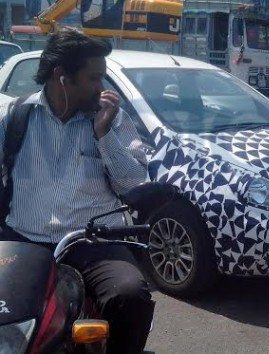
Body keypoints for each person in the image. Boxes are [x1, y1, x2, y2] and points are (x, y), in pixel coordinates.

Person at [0, 29, 154, 354]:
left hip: (91, 242)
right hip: (23, 240)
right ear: (62, 77)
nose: (102, 88)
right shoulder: (15, 117)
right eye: (94, 78)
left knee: (130, 294)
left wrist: (103, 134)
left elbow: (133, 183)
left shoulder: (112, 119)